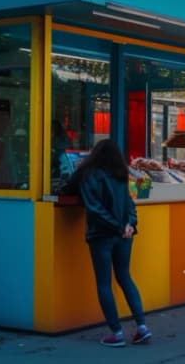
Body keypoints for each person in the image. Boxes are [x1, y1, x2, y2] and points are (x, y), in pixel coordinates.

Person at [64, 139, 152, 347]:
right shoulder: (121, 176)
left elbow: (93, 208)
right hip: (124, 235)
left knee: (104, 283)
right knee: (125, 277)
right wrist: (129, 224)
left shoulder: (87, 175)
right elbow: (130, 204)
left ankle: (117, 333)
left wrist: (117, 226)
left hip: (102, 235)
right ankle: (142, 327)